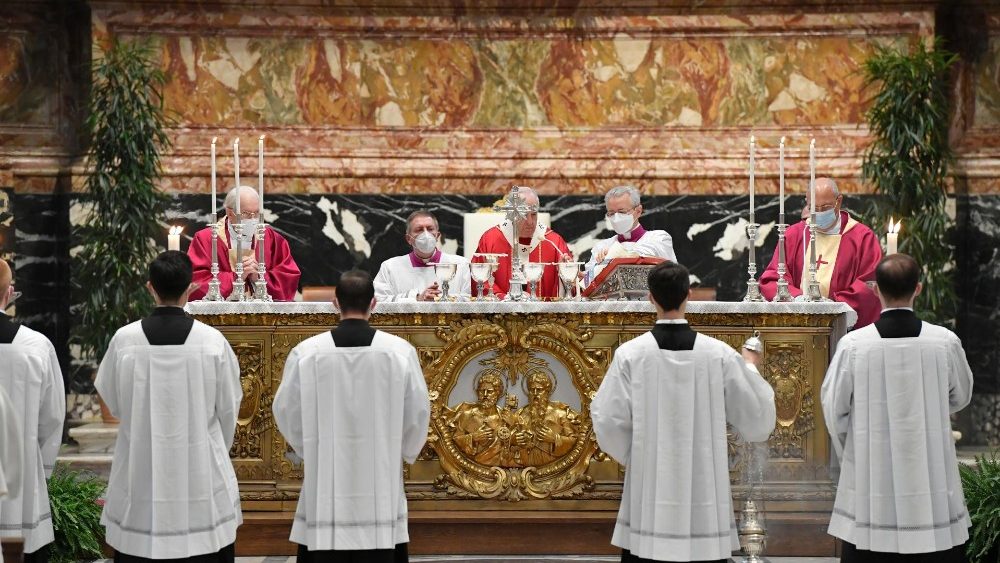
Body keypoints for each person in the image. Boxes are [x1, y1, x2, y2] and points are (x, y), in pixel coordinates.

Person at [591, 261, 776, 563]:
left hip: (649, 491)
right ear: (688, 294)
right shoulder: (718, 354)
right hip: (704, 489)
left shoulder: (630, 355)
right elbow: (757, 417)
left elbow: (608, 419)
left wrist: (638, 455)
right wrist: (750, 368)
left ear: (650, 297)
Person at [821, 253, 973, 563]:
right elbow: (962, 396)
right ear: (918, 288)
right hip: (930, 474)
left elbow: (833, 409)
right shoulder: (944, 342)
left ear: (874, 290)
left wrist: (851, 451)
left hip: (871, 479)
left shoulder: (854, 345)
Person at [273, 269, 430, 563]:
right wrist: (403, 449)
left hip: (326, 470)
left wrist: (310, 446)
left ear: (335, 303)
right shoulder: (398, 352)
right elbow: (419, 411)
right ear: (374, 303)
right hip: (380, 471)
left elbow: (285, 409)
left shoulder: (307, 353)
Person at [96, 251, 243, 563]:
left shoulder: (125, 339)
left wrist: (143, 423)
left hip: (141, 464)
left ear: (150, 288)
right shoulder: (212, 341)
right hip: (200, 466)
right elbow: (230, 408)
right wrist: (215, 445)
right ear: (191, 288)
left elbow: (113, 399)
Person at [0, 259, 65, 563]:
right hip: (21, 479)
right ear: (9, 292)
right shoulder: (35, 345)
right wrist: (41, 468)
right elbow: (52, 418)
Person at [759, 178, 882, 327]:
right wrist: (797, 299)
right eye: (814, 208)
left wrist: (833, 306)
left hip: (843, 329)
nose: (820, 213)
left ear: (839, 201)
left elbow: (868, 285)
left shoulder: (862, 238)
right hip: (799, 328)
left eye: (825, 207)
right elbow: (773, 279)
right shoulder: (793, 235)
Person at [188, 186, 301, 301]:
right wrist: (236, 277)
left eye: (256, 213)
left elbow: (288, 278)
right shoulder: (206, 239)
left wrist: (259, 278)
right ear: (230, 213)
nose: (252, 219)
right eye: (246, 214)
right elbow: (196, 281)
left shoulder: (272, 239)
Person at [472, 187, 572, 299]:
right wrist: (501, 297)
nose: (530, 222)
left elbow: (571, 288)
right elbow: (478, 278)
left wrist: (564, 272)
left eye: (533, 214)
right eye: (523, 215)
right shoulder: (490, 240)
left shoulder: (554, 242)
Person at [584, 185, 677, 284]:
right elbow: (588, 282)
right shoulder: (601, 247)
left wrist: (613, 254)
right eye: (611, 213)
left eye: (622, 212)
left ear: (638, 211)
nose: (616, 218)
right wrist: (582, 279)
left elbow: (672, 275)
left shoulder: (658, 238)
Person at [373, 210, 471, 302]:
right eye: (419, 230)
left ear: (437, 236)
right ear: (408, 239)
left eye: (430, 229)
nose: (426, 234)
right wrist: (416, 298)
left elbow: (471, 299)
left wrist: (440, 298)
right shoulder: (390, 267)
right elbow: (378, 300)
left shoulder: (461, 264)